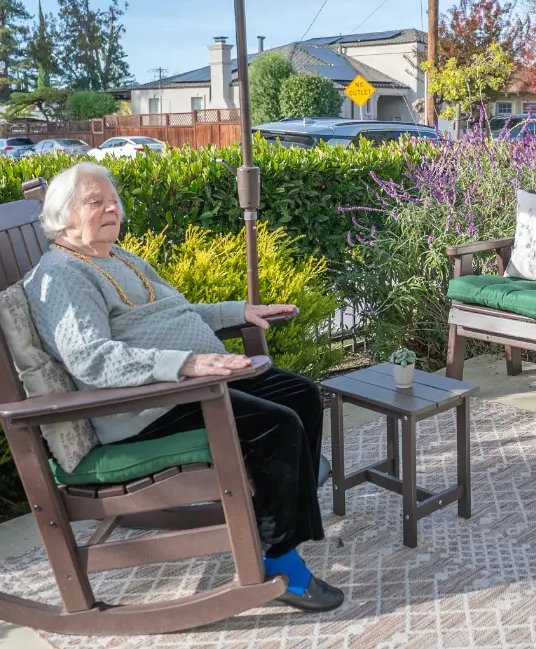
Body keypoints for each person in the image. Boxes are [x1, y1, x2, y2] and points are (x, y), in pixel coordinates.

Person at [23, 162, 343, 612]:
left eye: (113, 200)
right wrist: (186, 364)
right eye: (96, 202)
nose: (112, 209)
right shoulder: (63, 276)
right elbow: (90, 358)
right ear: (64, 216)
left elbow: (175, 310)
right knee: (275, 425)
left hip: (189, 387)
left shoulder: (117, 256)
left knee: (301, 395)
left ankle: (278, 508)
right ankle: (279, 563)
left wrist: (237, 312)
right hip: (148, 406)